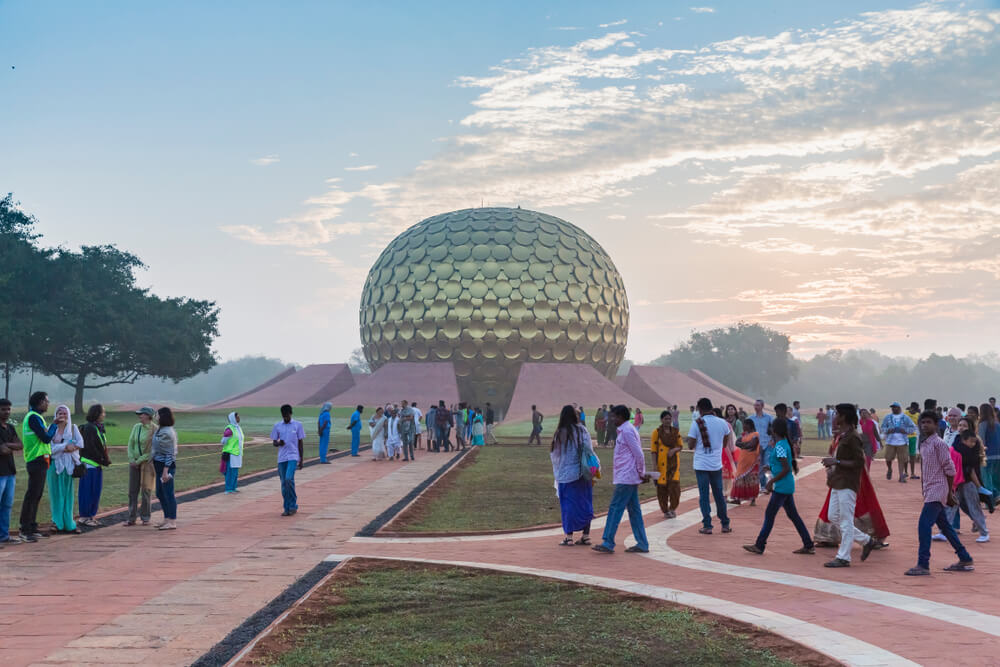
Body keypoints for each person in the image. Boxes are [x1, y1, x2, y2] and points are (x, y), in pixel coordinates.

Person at [905, 411, 974, 576]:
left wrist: (949, 493)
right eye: (923, 422)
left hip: (938, 489)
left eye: (929, 422)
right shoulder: (924, 444)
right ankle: (965, 557)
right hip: (930, 489)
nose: (924, 425)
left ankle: (923, 564)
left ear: (937, 425)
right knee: (945, 526)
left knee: (924, 525)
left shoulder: (939, 444)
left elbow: (950, 470)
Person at [744, 418, 815, 555]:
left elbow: (786, 468)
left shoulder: (781, 446)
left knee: (770, 514)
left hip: (782, 487)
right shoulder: (781, 444)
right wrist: (770, 467)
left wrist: (771, 481)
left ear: (775, 430)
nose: (769, 429)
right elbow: (782, 464)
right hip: (785, 486)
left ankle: (760, 545)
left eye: (771, 427)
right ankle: (808, 544)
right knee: (793, 515)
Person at [821, 404, 877, 568]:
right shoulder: (843, 435)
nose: (834, 417)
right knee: (833, 516)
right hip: (838, 481)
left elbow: (859, 462)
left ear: (844, 417)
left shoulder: (853, 437)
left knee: (845, 520)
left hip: (848, 483)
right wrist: (833, 467)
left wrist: (836, 462)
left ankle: (844, 557)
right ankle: (866, 540)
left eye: (837, 414)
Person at [592, 405, 649, 554]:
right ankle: (642, 543)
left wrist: (641, 472)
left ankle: (608, 541)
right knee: (634, 511)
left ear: (622, 417)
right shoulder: (626, 430)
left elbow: (639, 454)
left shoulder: (628, 431)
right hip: (627, 476)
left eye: (614, 416)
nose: (612, 419)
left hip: (627, 477)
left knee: (615, 508)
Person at [551, 406, 598, 546]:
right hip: (583, 474)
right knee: (585, 503)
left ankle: (569, 537)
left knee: (568, 505)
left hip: (566, 475)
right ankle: (586, 535)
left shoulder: (560, 433)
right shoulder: (582, 430)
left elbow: (555, 455)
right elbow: (589, 450)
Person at [686, 398, 733, 535]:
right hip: (716, 465)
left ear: (700, 409)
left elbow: (690, 445)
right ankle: (725, 524)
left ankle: (707, 525)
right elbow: (725, 443)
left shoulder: (697, 423)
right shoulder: (723, 423)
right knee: (719, 495)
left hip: (701, 464)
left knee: (704, 495)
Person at [946, 428, 990, 543]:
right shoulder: (956, 448)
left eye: (974, 442)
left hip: (968, 483)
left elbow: (972, 471)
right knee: (952, 506)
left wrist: (979, 487)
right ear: (963, 440)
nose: (973, 444)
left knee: (973, 506)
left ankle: (984, 532)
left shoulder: (969, 452)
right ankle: (944, 532)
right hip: (958, 482)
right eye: (971, 441)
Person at [19, 391, 53, 542]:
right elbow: (46, 438)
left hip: (41, 460)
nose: (48, 403)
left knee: (37, 495)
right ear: (39, 402)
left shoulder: (37, 417)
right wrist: (54, 426)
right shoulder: (33, 417)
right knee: (32, 495)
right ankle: (25, 529)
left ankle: (32, 526)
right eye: (46, 400)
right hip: (35, 460)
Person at [48, 404, 83, 534]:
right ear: (56, 416)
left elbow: (80, 443)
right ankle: (57, 522)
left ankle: (69, 523)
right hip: (55, 467)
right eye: (59, 413)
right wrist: (65, 446)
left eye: (64, 413)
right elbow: (50, 449)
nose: (62, 416)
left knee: (68, 495)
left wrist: (71, 447)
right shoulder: (51, 429)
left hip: (69, 467)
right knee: (56, 494)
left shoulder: (73, 429)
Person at [78, 404, 112, 526]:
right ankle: (85, 516)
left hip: (96, 465)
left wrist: (104, 459)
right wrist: (103, 460)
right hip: (89, 465)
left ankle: (90, 516)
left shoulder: (97, 428)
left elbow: (100, 446)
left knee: (95, 492)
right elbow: (90, 448)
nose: (104, 414)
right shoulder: (90, 428)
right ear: (97, 414)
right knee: (87, 491)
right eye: (103, 412)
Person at [271, 404, 305, 517]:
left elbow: (300, 443)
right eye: (283, 416)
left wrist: (301, 459)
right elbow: (274, 442)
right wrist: (278, 443)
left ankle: (293, 504)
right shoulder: (277, 426)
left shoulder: (298, 425)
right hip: (282, 458)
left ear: (290, 414)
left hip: (293, 456)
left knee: (288, 479)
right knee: (284, 483)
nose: (285, 418)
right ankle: (287, 507)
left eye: (287, 416)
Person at [124, 407, 156, 526]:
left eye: (141, 414)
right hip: (134, 463)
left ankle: (145, 517)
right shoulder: (136, 427)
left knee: (146, 490)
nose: (139, 416)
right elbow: (130, 443)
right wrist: (132, 459)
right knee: (132, 491)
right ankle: (131, 518)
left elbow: (153, 450)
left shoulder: (154, 430)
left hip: (147, 464)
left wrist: (139, 461)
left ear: (148, 416)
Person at [650, 410, 682, 518]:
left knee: (675, 488)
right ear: (661, 420)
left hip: (674, 465)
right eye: (665, 419)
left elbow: (680, 446)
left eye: (669, 419)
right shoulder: (657, 432)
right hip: (661, 465)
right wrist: (654, 466)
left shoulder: (676, 431)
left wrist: (673, 450)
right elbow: (654, 451)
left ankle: (673, 508)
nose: (668, 421)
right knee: (662, 489)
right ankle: (665, 510)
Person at [0, 398, 23, 545]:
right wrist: (6, 447)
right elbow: (2, 450)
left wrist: (6, 444)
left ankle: (4, 536)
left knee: (7, 505)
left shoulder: (10, 428)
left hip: (10, 471)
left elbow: (19, 445)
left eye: (8, 409)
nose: (7, 412)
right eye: (3, 409)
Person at [152, 407, 179, 530]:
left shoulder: (167, 432)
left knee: (168, 493)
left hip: (165, 466)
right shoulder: (161, 429)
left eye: (157, 415)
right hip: (158, 465)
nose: (155, 416)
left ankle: (172, 521)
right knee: (160, 493)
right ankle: (166, 518)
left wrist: (165, 471)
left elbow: (169, 453)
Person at [730, 418, 761, 506]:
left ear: (749, 425)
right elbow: (736, 443)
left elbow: (752, 445)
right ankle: (738, 498)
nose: (743, 426)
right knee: (739, 477)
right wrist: (746, 445)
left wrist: (743, 445)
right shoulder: (743, 434)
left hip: (752, 460)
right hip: (743, 459)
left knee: (751, 479)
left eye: (744, 425)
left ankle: (753, 499)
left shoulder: (755, 434)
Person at [750, 399, 773, 491]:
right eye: (755, 405)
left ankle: (769, 483)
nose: (756, 407)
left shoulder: (769, 418)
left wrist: (772, 440)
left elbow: (773, 429)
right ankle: (763, 485)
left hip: (767, 444)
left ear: (762, 406)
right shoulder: (750, 418)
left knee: (767, 464)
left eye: (758, 405)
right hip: (756, 446)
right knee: (759, 466)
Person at [979, 402, 1000, 500]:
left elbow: (981, 441)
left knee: (987, 479)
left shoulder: (982, 424)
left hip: (987, 455)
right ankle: (997, 495)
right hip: (998, 455)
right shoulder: (997, 424)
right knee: (996, 479)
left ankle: (991, 499)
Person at [221, 412, 244, 493]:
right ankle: (228, 489)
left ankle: (233, 488)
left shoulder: (238, 428)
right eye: (237, 417)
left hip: (237, 453)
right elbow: (223, 441)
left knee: (235, 472)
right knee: (229, 472)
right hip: (230, 454)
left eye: (239, 417)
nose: (239, 418)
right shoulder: (229, 429)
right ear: (233, 419)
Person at [905, 401, 923, 479]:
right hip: (905, 438)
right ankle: (905, 472)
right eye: (914, 410)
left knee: (912, 456)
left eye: (916, 411)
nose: (915, 412)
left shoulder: (918, 415)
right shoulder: (905, 414)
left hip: (913, 437)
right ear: (911, 408)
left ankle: (912, 473)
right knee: (905, 456)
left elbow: (920, 426)